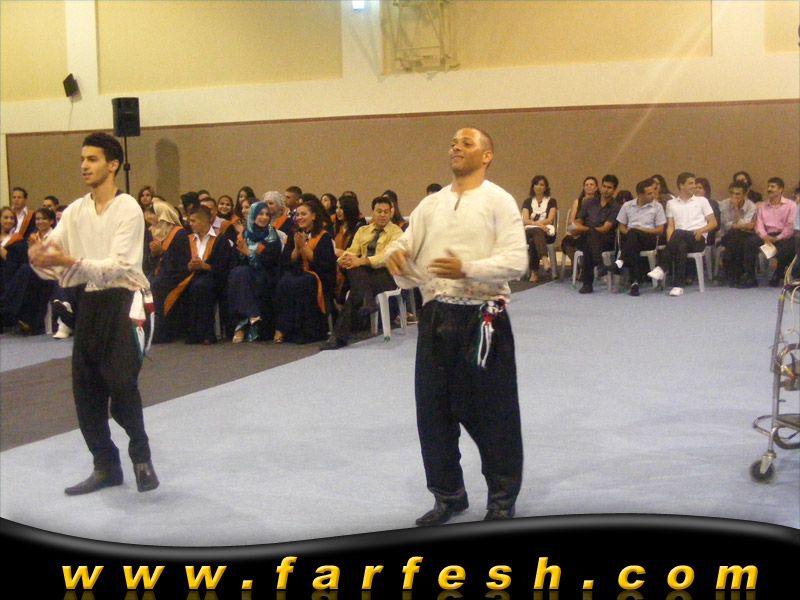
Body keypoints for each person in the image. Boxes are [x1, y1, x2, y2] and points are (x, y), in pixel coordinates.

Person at [385, 127, 527, 525]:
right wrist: (396, 256)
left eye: (466, 143)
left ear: (487, 155)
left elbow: (518, 261)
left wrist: (468, 268)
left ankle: (501, 499)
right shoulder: (431, 205)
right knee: (433, 413)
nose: (456, 148)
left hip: (483, 319)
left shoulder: (499, 200)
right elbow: (405, 247)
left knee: (494, 414)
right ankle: (448, 494)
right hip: (436, 317)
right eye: (452, 143)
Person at [27, 131, 159, 495]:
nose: (84, 166)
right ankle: (106, 465)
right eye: (82, 159)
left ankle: (142, 457)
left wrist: (67, 260)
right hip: (91, 301)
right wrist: (39, 259)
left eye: (93, 159)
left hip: (129, 301)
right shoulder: (75, 211)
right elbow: (57, 262)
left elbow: (119, 267)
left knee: (121, 384)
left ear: (113, 164)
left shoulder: (127, 208)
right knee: (85, 389)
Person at [320, 196, 403, 350]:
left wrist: (362, 261)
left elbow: (386, 257)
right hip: (363, 275)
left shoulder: (397, 233)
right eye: (379, 211)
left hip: (386, 275)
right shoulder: (362, 231)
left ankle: (338, 337)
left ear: (391, 213)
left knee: (355, 287)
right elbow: (352, 251)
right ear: (373, 212)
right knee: (354, 270)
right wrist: (343, 260)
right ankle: (367, 300)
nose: (383, 215)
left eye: (386, 212)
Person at [273, 198, 337, 344]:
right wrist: (297, 248)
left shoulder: (324, 237)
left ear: (313, 216)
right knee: (284, 281)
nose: (299, 217)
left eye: (303, 214)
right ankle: (285, 329)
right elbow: (287, 261)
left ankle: (306, 331)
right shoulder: (294, 234)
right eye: (297, 214)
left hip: (319, 277)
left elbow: (323, 264)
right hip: (298, 273)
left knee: (303, 282)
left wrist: (304, 247)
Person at [647, 172, 717, 296]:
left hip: (697, 238)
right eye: (690, 183)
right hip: (679, 239)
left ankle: (662, 267)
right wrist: (671, 242)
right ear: (681, 185)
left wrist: (701, 230)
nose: (694, 186)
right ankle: (678, 286)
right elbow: (670, 226)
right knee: (681, 245)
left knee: (678, 233)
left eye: (694, 183)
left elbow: (713, 223)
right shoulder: (671, 203)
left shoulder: (702, 201)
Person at [227, 200, 283, 343]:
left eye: (267, 214)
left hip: (267, 275)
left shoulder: (272, 236)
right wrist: (243, 254)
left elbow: (270, 261)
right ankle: (252, 316)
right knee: (239, 273)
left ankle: (241, 326)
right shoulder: (244, 234)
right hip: (246, 277)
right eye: (260, 214)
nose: (264, 217)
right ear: (253, 215)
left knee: (241, 275)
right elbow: (234, 260)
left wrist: (248, 253)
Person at [614, 178, 666, 296]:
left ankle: (621, 261)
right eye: (649, 193)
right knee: (633, 242)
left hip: (649, 238)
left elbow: (660, 229)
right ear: (640, 194)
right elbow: (621, 226)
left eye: (653, 192)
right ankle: (635, 284)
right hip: (632, 240)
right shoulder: (627, 206)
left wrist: (640, 230)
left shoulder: (657, 207)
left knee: (634, 234)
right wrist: (628, 233)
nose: (653, 195)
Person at [572, 174, 620, 294]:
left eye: (609, 187)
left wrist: (586, 229)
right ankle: (600, 263)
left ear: (614, 190)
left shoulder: (615, 207)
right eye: (604, 186)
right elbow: (578, 221)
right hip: (587, 235)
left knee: (589, 240)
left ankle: (587, 284)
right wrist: (585, 229)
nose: (606, 190)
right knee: (578, 239)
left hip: (606, 239)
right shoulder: (589, 203)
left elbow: (605, 228)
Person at [745, 177, 797, 287]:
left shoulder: (791, 205)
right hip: (766, 235)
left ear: (781, 189)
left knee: (787, 247)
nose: (769, 189)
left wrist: (777, 238)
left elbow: (790, 226)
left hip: (783, 236)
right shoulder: (762, 206)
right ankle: (751, 277)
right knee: (749, 243)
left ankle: (778, 274)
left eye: (773, 187)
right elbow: (759, 225)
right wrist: (765, 237)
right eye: (768, 186)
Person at [718, 181, 757, 287]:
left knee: (737, 237)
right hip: (726, 235)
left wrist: (736, 209)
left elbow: (745, 226)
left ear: (745, 194)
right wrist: (740, 225)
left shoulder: (751, 206)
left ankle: (730, 270)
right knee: (734, 234)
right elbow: (725, 225)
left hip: (745, 236)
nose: (733, 197)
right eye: (731, 193)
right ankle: (738, 274)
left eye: (737, 194)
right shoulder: (724, 204)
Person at [520, 175, 557, 283]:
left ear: (546, 188)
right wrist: (538, 225)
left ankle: (534, 272)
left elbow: (550, 219)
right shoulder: (527, 201)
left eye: (541, 184)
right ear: (533, 186)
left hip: (546, 232)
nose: (538, 187)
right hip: (530, 230)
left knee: (534, 239)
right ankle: (544, 259)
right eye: (536, 184)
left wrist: (539, 226)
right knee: (536, 231)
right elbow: (525, 220)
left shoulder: (552, 201)